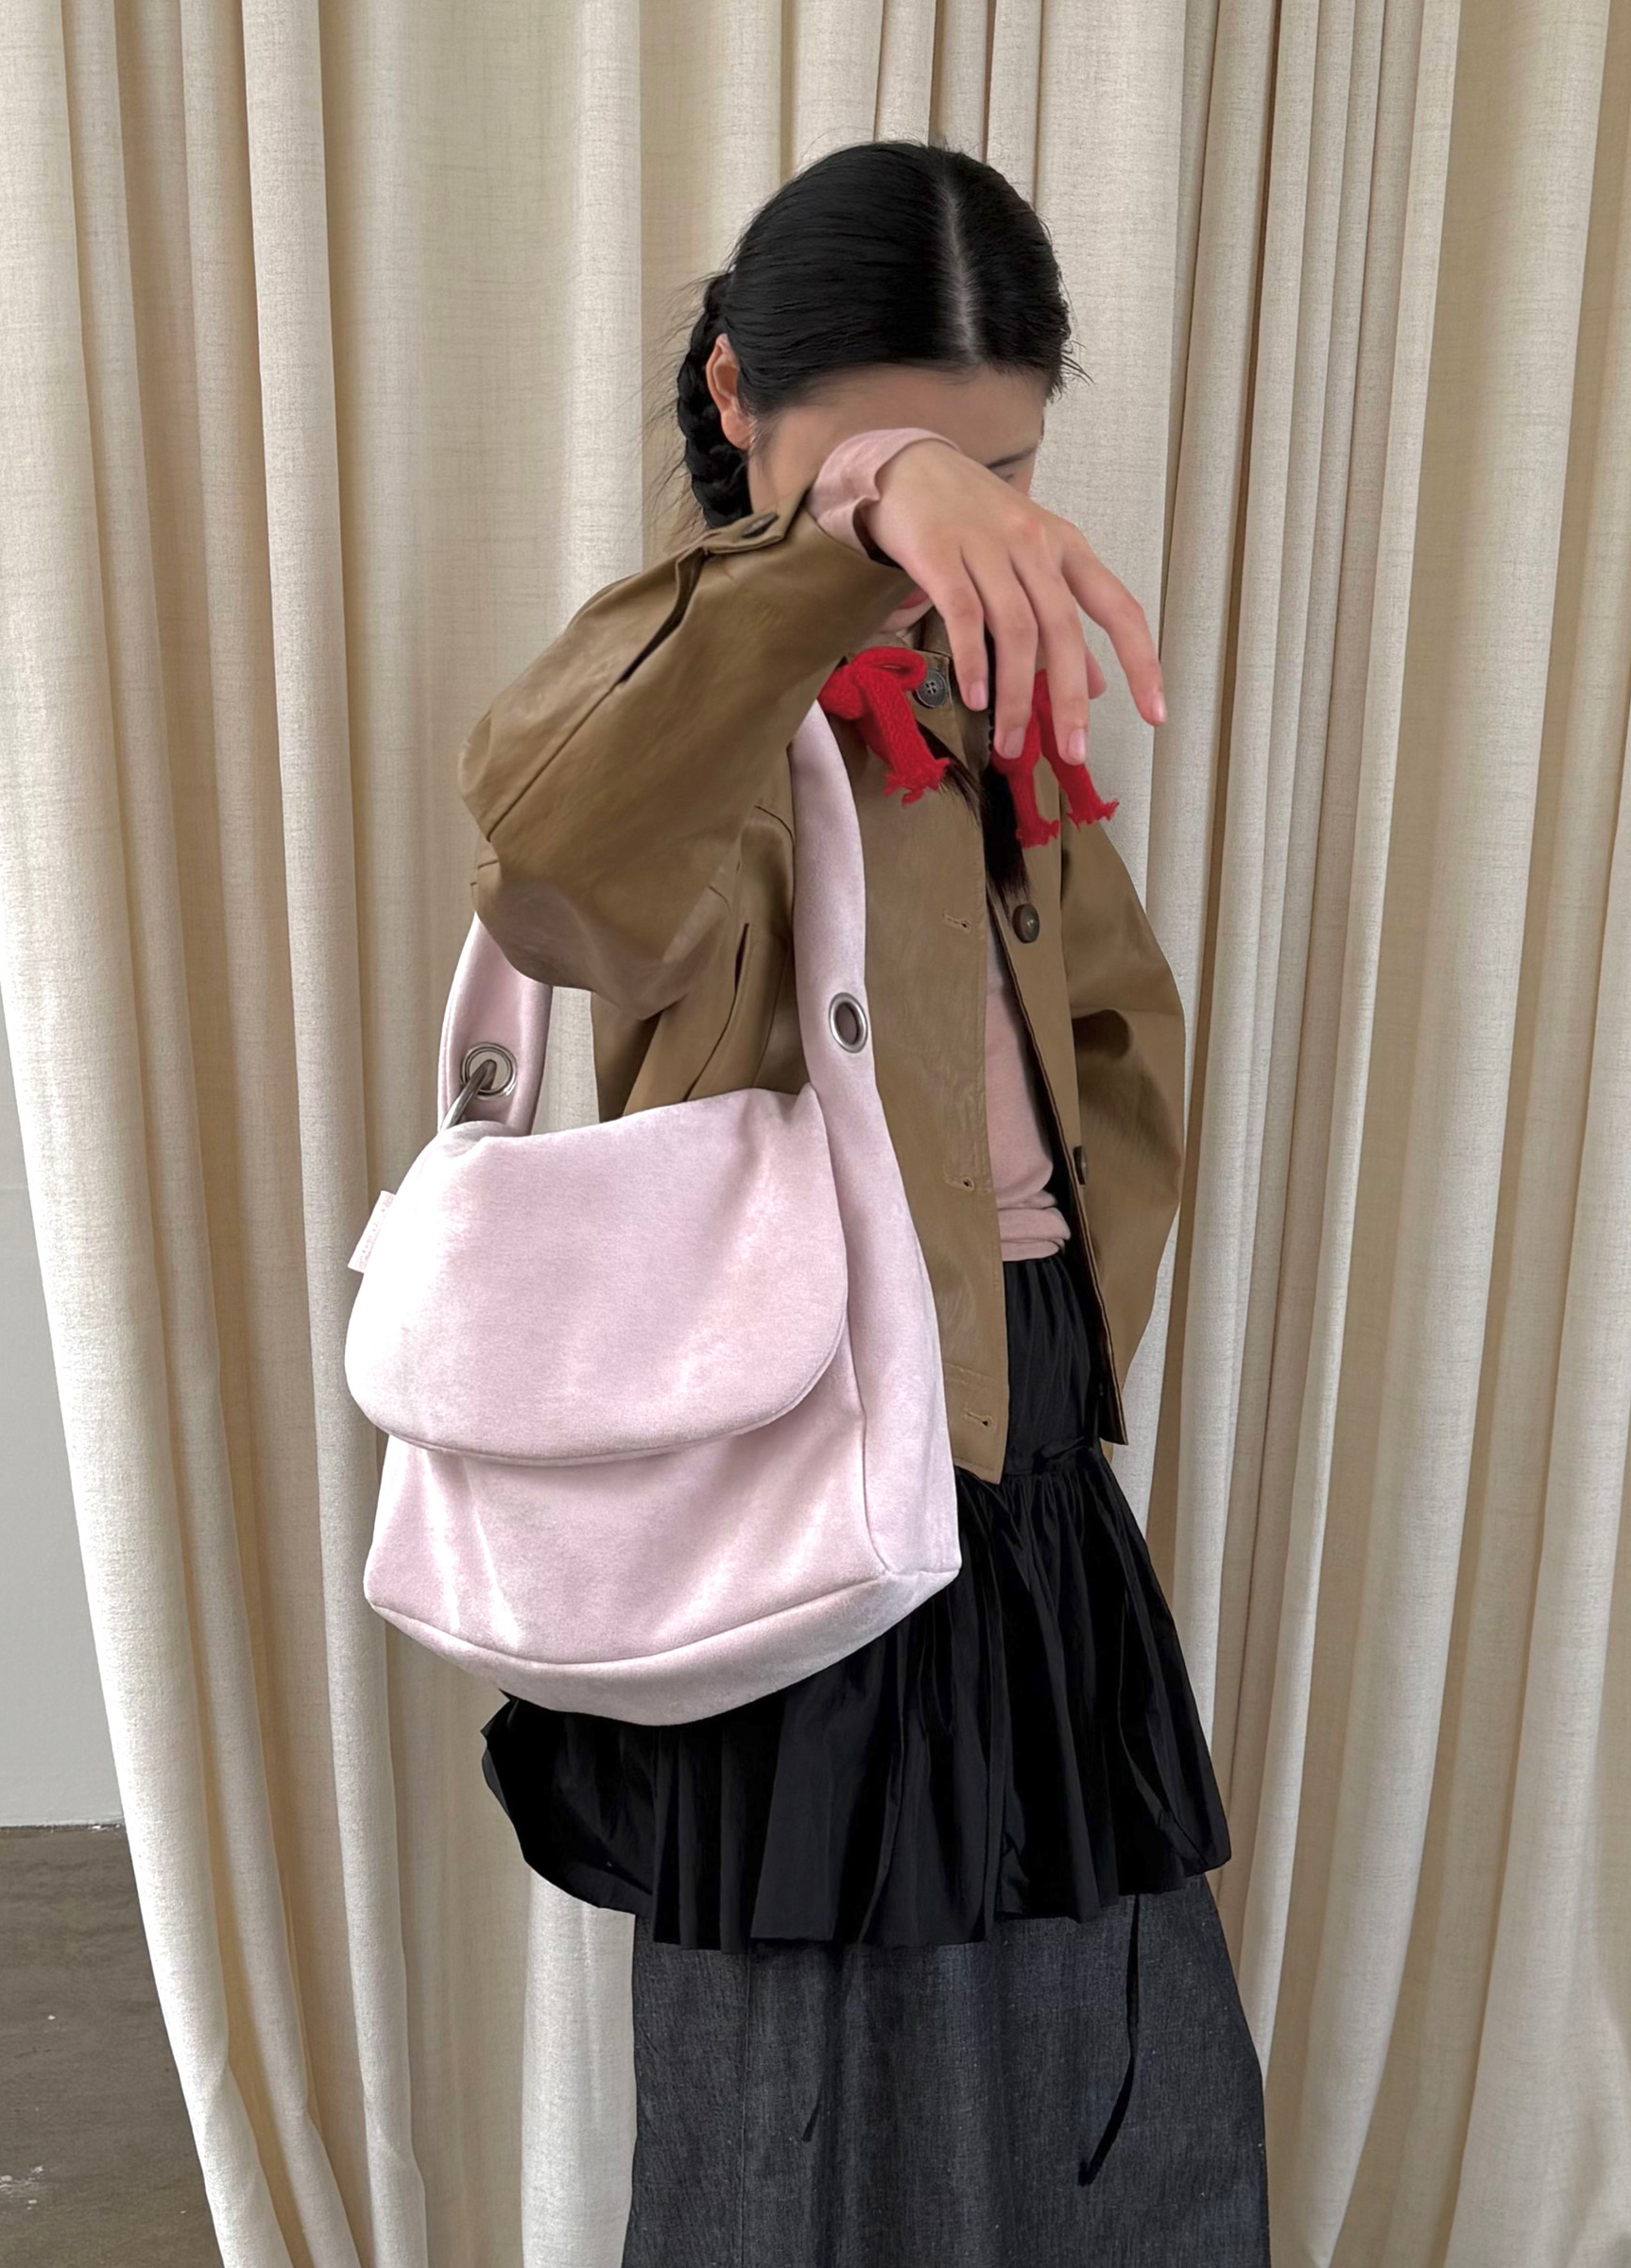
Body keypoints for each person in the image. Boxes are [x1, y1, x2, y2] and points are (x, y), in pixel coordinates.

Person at [456, 139, 1269, 2267]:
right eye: (898, 466)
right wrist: (844, 527)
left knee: (1101, 2061)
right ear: (739, 394)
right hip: (794, 1452)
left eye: (996, 472)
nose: (954, 524)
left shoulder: (981, 694)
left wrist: (1050, 1335)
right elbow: (547, 861)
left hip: (1017, 1450)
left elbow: (1120, 1044)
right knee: (800, 2096)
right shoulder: (692, 704)